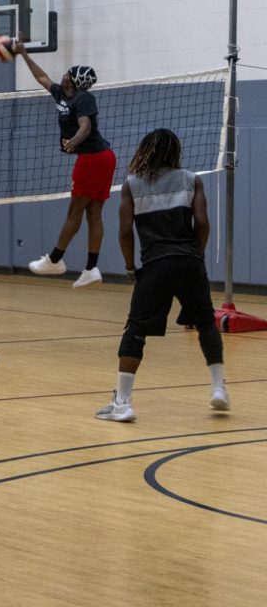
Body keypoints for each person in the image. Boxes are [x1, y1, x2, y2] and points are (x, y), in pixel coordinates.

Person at [95, 128, 228, 422]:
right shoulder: (192, 180)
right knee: (206, 323)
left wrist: (130, 267)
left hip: (155, 264)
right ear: (175, 152)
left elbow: (125, 231)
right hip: (190, 261)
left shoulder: (132, 184)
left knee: (135, 331)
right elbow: (203, 222)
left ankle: (123, 403)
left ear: (146, 150)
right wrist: (197, 254)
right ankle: (218, 389)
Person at [15, 41, 117, 287]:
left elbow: (86, 126)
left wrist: (73, 141)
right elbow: (40, 76)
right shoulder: (61, 93)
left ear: (73, 80)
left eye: (68, 73)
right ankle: (91, 269)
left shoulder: (83, 99)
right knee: (93, 213)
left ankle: (55, 259)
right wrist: (23, 53)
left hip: (94, 159)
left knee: (75, 211)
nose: (62, 74)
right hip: (99, 158)